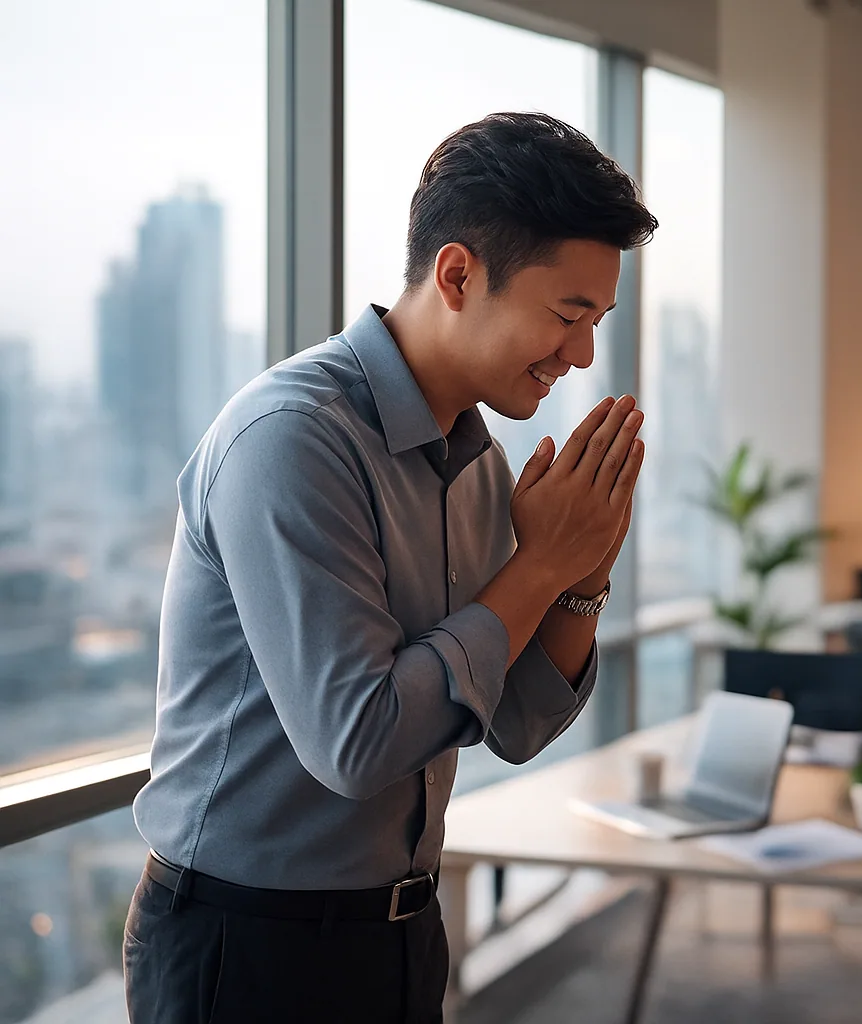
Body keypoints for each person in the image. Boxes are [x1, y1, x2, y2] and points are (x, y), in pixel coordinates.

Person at [124, 113, 657, 1023]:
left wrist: (578, 576)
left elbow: (519, 721)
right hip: (245, 943)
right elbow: (356, 743)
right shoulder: (293, 440)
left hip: (403, 929)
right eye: (568, 315)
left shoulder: (478, 462)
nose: (583, 356)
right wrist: (539, 567)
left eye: (597, 321)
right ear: (457, 274)